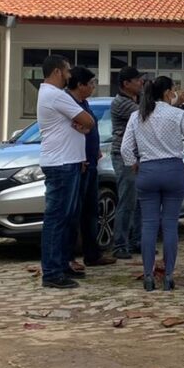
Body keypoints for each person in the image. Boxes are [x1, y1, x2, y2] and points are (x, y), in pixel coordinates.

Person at [121, 75, 184, 292]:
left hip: (148, 170)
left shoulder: (137, 115)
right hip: (174, 170)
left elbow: (125, 149)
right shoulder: (177, 114)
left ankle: (148, 275)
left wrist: (135, 165)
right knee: (170, 224)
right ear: (168, 92)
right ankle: (168, 275)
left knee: (148, 224)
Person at [37, 55, 96, 289]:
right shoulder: (56, 95)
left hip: (67, 161)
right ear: (58, 72)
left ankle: (60, 265)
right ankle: (52, 271)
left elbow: (84, 123)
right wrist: (85, 125)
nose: (70, 75)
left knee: (65, 218)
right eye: (67, 71)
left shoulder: (50, 95)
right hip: (61, 163)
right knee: (57, 219)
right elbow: (88, 120)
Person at [68, 66, 115, 268]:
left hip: (91, 163)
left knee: (90, 211)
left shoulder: (84, 103)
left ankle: (92, 253)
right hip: (78, 165)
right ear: (80, 85)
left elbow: (88, 129)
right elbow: (74, 131)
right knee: (73, 213)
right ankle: (68, 256)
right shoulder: (68, 104)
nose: (94, 87)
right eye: (91, 83)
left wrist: (94, 149)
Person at [110, 66, 145, 259]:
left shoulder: (135, 100)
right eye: (137, 80)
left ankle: (136, 241)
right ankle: (120, 244)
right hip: (124, 156)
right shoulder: (122, 103)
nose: (141, 83)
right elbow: (146, 116)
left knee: (139, 201)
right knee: (127, 200)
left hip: (138, 155)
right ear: (126, 83)